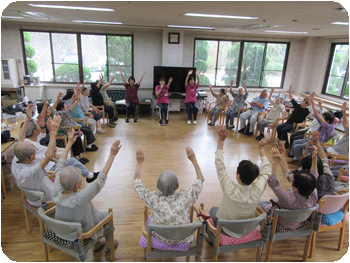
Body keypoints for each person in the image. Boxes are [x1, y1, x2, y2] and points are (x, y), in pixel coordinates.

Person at [53, 130, 121, 253]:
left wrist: (69, 145)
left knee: (92, 211)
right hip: (81, 235)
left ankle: (99, 243)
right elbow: (100, 180)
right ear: (77, 184)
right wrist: (111, 156)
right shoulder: (80, 198)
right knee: (107, 216)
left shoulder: (57, 191)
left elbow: (60, 166)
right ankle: (108, 246)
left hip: (62, 232)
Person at [133, 146, 204, 245]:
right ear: (177, 186)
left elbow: (136, 184)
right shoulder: (185, 198)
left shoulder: (153, 199)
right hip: (182, 238)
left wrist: (139, 163)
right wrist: (194, 161)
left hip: (160, 237)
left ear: (158, 187)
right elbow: (200, 180)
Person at [210, 125, 272, 238]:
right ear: (254, 179)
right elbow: (266, 171)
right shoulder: (257, 189)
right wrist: (262, 150)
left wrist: (221, 140)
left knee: (213, 210)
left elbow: (220, 165)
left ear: (238, 175)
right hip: (246, 229)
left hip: (227, 229)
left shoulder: (229, 189)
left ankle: (213, 239)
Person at [258, 144, 318, 230]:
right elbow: (314, 176)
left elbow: (273, 183)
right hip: (297, 222)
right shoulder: (313, 195)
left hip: (280, 224)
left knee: (258, 203)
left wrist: (275, 162)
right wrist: (314, 159)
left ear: (296, 188)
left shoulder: (289, 199)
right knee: (280, 196)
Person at [11, 109, 61, 207]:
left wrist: (28, 118)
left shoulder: (15, 163)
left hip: (35, 198)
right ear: (32, 157)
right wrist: (53, 132)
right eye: (35, 151)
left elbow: (20, 139)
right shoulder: (31, 172)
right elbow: (48, 157)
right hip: (49, 200)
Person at [36, 97, 88, 164]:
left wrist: (57, 99)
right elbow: (42, 115)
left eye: (49, 109)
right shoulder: (44, 120)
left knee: (77, 138)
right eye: (47, 110)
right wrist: (44, 107)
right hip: (57, 138)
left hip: (62, 133)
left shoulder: (51, 116)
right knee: (74, 141)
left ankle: (80, 156)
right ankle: (76, 157)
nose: (49, 111)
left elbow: (52, 108)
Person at [288, 93, 335, 164]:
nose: (321, 118)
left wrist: (318, 109)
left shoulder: (330, 128)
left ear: (327, 121)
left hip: (318, 144)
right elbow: (315, 114)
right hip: (311, 139)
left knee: (297, 146)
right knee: (295, 142)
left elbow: (322, 120)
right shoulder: (324, 124)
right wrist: (311, 103)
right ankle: (296, 158)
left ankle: (302, 161)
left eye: (323, 118)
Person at [56, 88, 99, 152]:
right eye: (65, 105)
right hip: (71, 128)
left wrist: (77, 96)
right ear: (62, 107)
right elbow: (70, 107)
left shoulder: (64, 110)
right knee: (88, 131)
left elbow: (70, 103)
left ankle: (90, 144)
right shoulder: (61, 113)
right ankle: (88, 147)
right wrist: (77, 101)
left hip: (75, 125)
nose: (66, 106)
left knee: (88, 129)